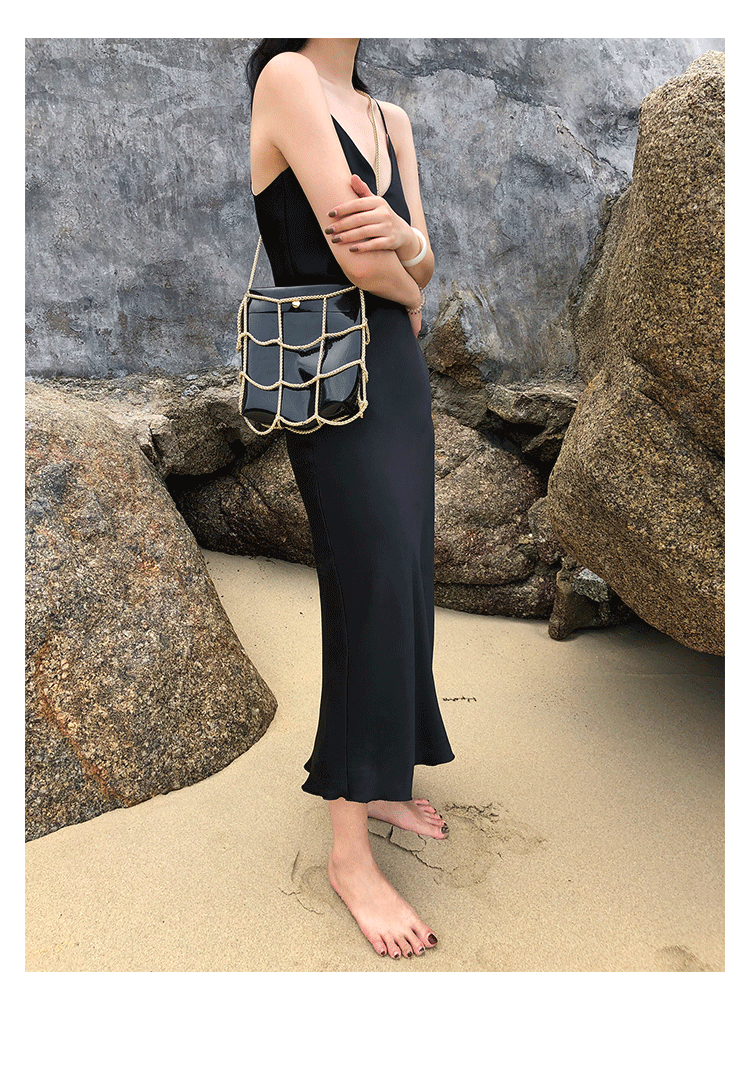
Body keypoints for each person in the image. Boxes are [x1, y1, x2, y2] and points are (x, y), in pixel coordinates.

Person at [246, 38, 455, 960]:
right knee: (365, 582)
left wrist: (403, 247)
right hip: (330, 373)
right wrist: (404, 267)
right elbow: (360, 262)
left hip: (396, 373)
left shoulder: (389, 118)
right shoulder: (286, 77)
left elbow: (414, 264)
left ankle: (382, 777)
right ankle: (347, 852)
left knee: (405, 570)